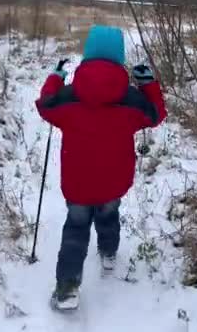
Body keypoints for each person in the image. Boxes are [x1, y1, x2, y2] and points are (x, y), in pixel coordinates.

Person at [34, 25, 167, 311]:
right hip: (113, 180)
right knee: (109, 214)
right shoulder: (131, 99)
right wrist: (148, 85)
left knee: (76, 229)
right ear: (119, 58)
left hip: (78, 183)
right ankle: (108, 253)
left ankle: (67, 288)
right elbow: (156, 114)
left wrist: (56, 78)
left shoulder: (70, 96)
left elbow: (45, 105)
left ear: (88, 54)